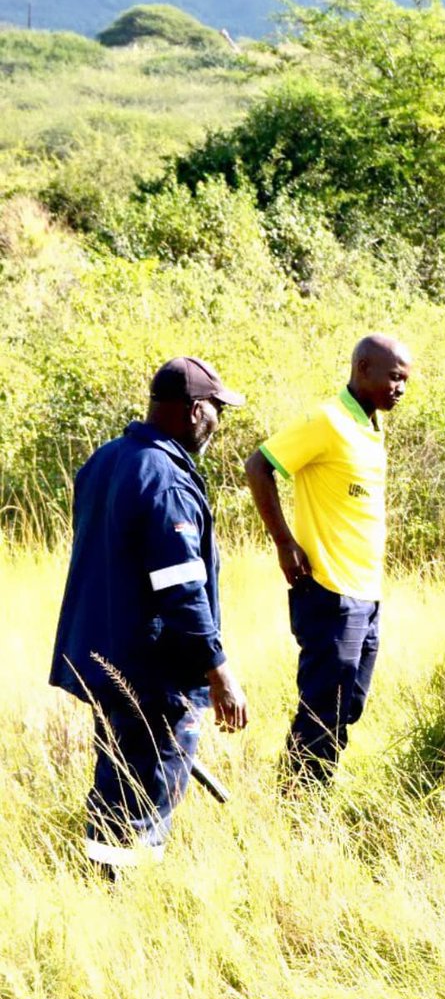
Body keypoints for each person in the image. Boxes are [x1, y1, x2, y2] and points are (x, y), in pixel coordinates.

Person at [49, 357, 249, 870]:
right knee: (145, 794)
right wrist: (218, 668)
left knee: (117, 777)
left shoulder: (106, 459)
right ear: (195, 411)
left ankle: (99, 885)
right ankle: (123, 903)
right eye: (216, 412)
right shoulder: (166, 478)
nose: (217, 425)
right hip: (150, 669)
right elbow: (181, 587)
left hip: (101, 658)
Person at [245, 335, 411, 785]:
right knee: (323, 710)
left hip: (367, 593)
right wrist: (284, 541)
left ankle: (314, 797)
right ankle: (299, 808)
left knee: (347, 708)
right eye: (394, 377)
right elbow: (258, 464)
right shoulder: (327, 421)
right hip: (329, 592)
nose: (401, 388)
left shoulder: (372, 425)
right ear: (363, 368)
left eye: (406, 381)